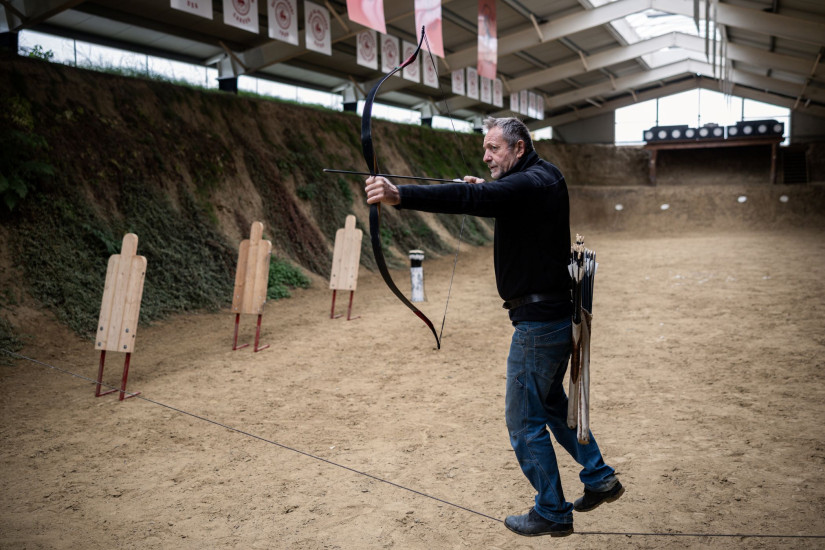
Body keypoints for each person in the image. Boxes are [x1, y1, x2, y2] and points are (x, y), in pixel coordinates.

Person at [364, 116, 623, 537]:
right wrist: (487, 189)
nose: (486, 156)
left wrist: (399, 195)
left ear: (519, 148)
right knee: (553, 405)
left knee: (523, 421)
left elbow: (474, 199)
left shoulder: (531, 182)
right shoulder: (541, 176)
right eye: (484, 150)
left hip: (540, 325)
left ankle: (552, 511)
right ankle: (598, 475)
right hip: (553, 319)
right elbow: (496, 198)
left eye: (493, 148)